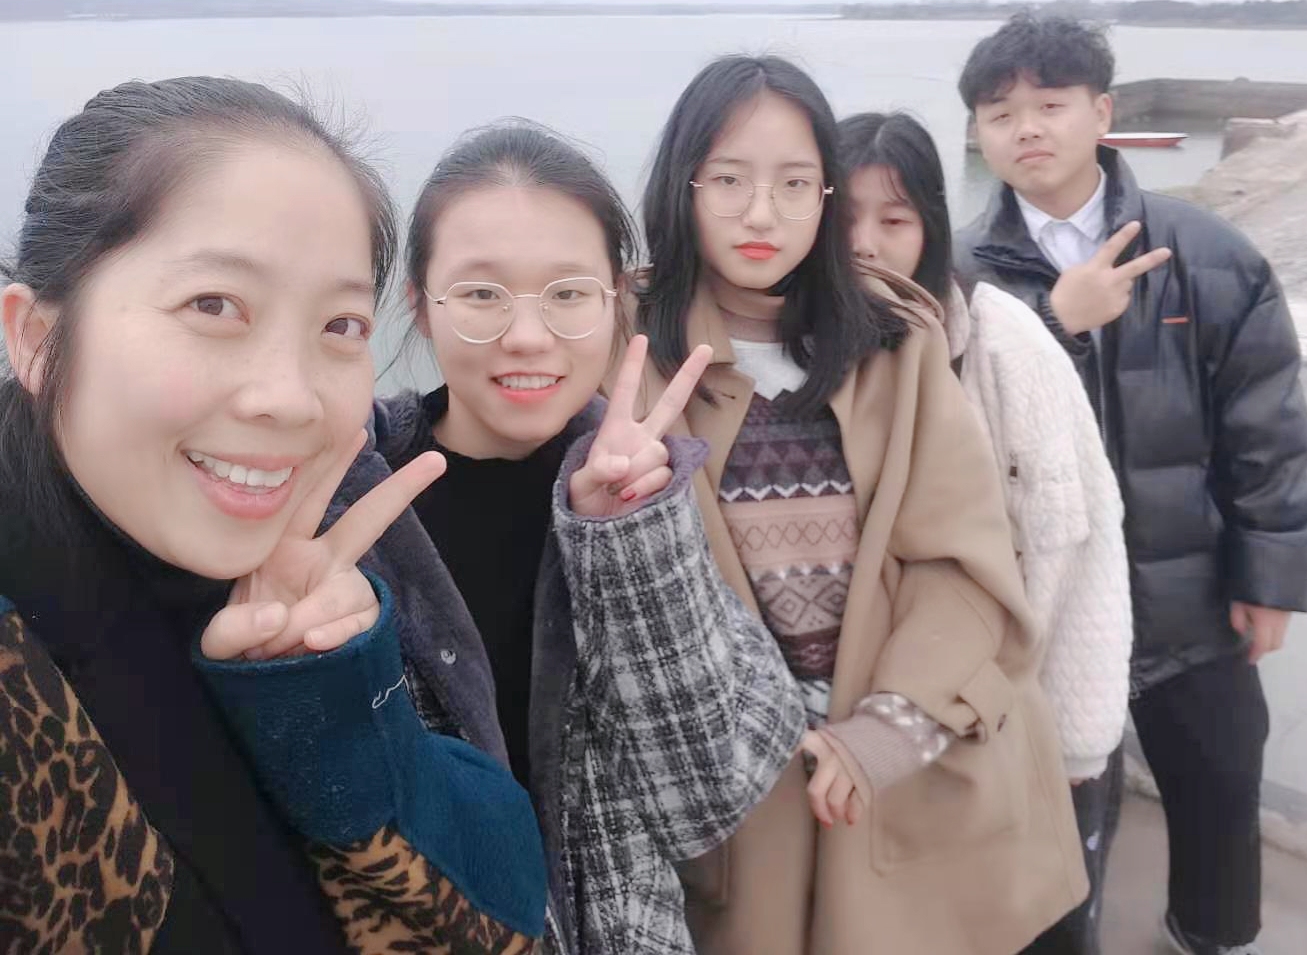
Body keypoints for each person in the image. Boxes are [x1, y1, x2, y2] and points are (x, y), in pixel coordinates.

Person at [0, 78, 547, 952]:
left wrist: (323, 702)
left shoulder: (318, 565)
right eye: (214, 306)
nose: (291, 398)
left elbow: (504, 919)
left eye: (341, 325)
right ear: (35, 337)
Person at [629, 55, 1089, 955]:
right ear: (682, 186)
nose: (762, 214)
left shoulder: (894, 339)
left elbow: (962, 556)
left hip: (911, 768)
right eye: (728, 179)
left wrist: (891, 725)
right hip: (744, 797)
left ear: (825, 196)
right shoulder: (633, 346)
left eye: (794, 184)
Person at [343, 119, 807, 955]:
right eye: (482, 294)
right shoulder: (347, 499)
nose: (527, 335)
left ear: (615, 299)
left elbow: (706, 797)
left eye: (567, 293)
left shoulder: (645, 489)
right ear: (418, 305)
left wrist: (627, 537)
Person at [955, 14, 1307, 955]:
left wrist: (1269, 577)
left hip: (1188, 591)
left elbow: (1267, 430)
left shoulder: (1208, 252)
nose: (1026, 128)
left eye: (1051, 104)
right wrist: (1057, 320)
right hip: (1041, 600)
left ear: (1102, 113)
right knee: (1059, 813)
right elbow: (952, 434)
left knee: (1220, 784)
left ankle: (1208, 933)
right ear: (978, 133)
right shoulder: (959, 273)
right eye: (999, 113)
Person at [840, 109, 1132, 954]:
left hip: (996, 707)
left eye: (894, 220)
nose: (865, 245)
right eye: (842, 218)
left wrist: (1079, 744)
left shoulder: (1001, 341)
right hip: (870, 723)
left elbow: (1075, 543)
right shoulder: (806, 352)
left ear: (931, 227)